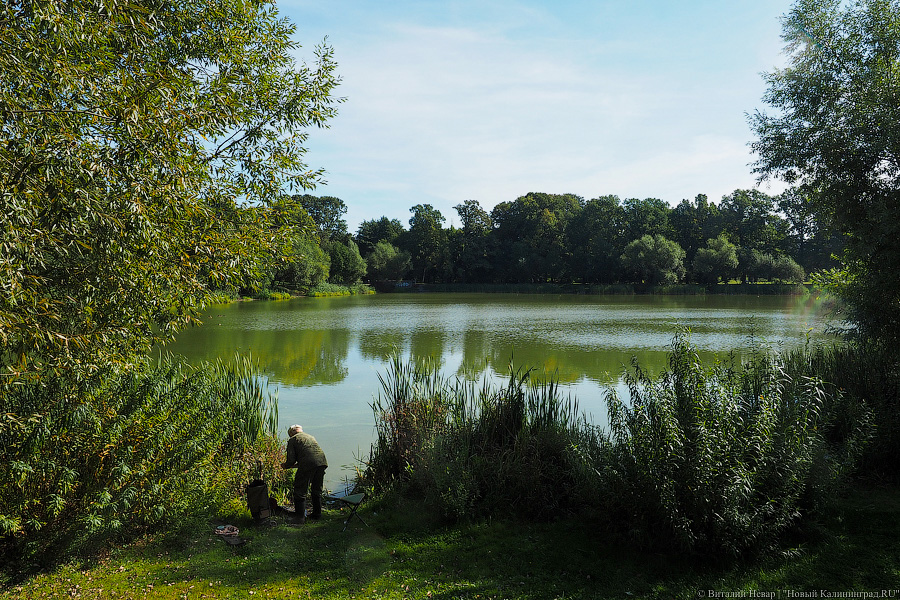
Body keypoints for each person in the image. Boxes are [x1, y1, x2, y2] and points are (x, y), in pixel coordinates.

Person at [281, 424, 328, 523]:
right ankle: (317, 515)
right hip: (322, 462)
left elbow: (291, 460)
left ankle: (299, 517)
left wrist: (286, 465)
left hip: (309, 464)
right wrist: (293, 465)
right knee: (316, 489)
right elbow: (309, 457)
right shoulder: (310, 436)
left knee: (299, 489)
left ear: (291, 432)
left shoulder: (293, 440)